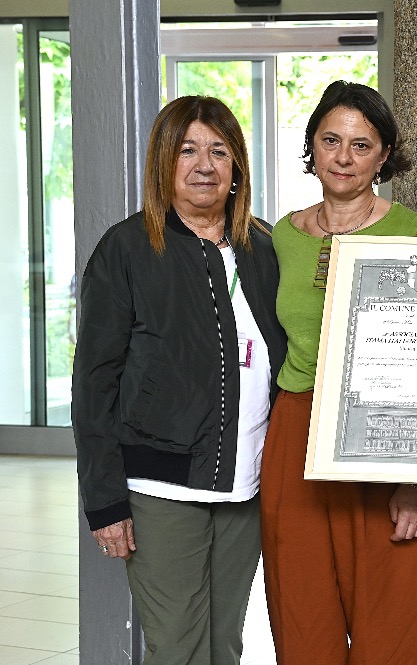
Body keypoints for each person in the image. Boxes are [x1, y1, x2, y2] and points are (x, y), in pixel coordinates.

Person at [73, 95, 285, 664]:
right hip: (161, 489)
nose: (204, 166)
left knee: (225, 646)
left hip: (245, 484)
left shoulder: (263, 248)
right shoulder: (127, 248)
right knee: (178, 649)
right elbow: (93, 383)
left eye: (219, 151)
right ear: (164, 162)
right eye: (188, 150)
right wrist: (104, 501)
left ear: (237, 166)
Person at [259, 79, 417, 665]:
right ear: (312, 146)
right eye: (331, 140)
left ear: (384, 155)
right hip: (297, 432)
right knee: (302, 619)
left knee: (390, 629)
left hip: (389, 438)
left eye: (361, 145)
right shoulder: (282, 236)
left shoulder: (416, 233)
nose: (344, 157)